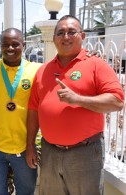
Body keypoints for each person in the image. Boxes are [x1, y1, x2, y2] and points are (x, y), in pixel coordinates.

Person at [26, 15, 124, 195]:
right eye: (60, 32)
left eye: (71, 32)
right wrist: (30, 144)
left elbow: (117, 101)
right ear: (54, 38)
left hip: (84, 154)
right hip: (50, 152)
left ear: (83, 36)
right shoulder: (43, 70)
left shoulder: (96, 65)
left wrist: (78, 99)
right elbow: (33, 110)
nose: (66, 37)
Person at [0, 28, 40, 195]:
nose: (10, 48)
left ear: (24, 44)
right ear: (0, 46)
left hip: (25, 146)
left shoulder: (36, 70)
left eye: (15, 44)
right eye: (5, 45)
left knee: (26, 191)